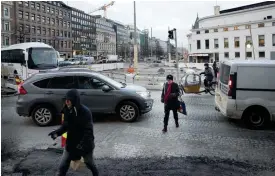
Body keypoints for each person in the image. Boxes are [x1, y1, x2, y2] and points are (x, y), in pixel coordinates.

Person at [48, 89, 99, 176]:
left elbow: (88, 131)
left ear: (74, 100)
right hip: (71, 143)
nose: (66, 102)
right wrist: (56, 133)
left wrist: (82, 144)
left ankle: (96, 174)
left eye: (69, 100)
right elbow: (65, 126)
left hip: (85, 145)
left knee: (89, 162)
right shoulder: (67, 110)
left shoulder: (85, 112)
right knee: (64, 164)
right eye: (66, 100)